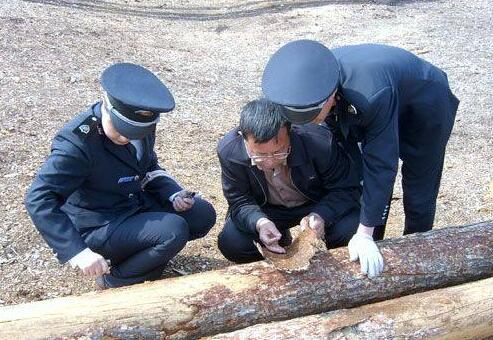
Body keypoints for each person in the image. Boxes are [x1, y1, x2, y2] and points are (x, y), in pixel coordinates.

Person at [262, 40, 459, 277]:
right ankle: (375, 240)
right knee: (361, 172)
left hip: (423, 105)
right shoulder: (313, 83)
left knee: (419, 185)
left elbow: (382, 164)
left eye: (314, 116)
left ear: (330, 98)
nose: (312, 123)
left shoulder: (371, 94)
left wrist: (364, 234)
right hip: (360, 103)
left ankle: (416, 251)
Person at [25, 63, 216, 289]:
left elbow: (147, 165)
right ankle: (117, 279)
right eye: (121, 130)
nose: (127, 138)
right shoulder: (78, 143)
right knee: (173, 231)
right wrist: (78, 252)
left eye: (134, 133)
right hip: (99, 222)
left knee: (201, 214)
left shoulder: (140, 124)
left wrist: (172, 193)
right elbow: (39, 198)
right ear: (107, 106)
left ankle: (140, 256)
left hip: (131, 204)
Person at [217, 98, 363, 264]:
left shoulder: (319, 142)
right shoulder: (229, 151)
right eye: (260, 155)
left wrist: (322, 215)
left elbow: (346, 188)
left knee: (351, 227)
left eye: (279, 152)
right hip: (268, 210)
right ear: (244, 138)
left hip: (315, 204)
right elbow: (239, 201)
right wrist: (260, 222)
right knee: (233, 242)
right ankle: (279, 242)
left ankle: (328, 266)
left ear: (290, 132)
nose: (270, 162)